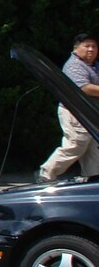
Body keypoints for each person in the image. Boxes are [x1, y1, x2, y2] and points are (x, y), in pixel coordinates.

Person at [39, 31, 99, 182]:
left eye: (94, 46)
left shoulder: (94, 66)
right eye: (87, 46)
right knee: (76, 144)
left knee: (94, 148)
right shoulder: (74, 65)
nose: (91, 50)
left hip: (89, 112)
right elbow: (84, 87)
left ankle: (93, 179)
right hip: (74, 112)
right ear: (76, 48)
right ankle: (46, 174)